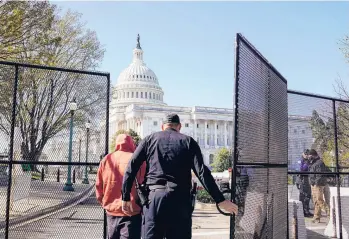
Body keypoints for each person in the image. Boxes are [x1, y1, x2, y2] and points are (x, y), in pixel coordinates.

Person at [121, 113, 238, 239]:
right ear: (179, 127)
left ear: (162, 126)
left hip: (154, 198)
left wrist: (125, 196)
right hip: (179, 199)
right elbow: (202, 172)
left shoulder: (149, 140)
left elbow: (131, 167)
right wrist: (220, 199)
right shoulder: (188, 141)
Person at [96, 134, 146, 239]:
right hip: (132, 210)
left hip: (111, 210)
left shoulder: (106, 160)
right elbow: (144, 183)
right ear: (131, 144)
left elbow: (99, 186)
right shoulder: (137, 160)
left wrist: (105, 202)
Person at [308, 149, 329, 223]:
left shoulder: (319, 163)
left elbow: (319, 175)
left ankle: (330, 215)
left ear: (313, 155)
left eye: (309, 156)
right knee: (316, 201)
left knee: (320, 201)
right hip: (313, 184)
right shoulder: (313, 163)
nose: (308, 157)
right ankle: (316, 217)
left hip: (318, 185)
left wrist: (316, 183)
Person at [295, 149, 313, 217]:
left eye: (307, 154)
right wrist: (308, 162)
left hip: (306, 179)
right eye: (305, 154)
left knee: (307, 195)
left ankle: (306, 210)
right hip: (302, 179)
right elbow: (301, 170)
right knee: (303, 195)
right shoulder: (301, 160)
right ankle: (303, 211)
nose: (307, 155)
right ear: (303, 154)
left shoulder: (307, 160)